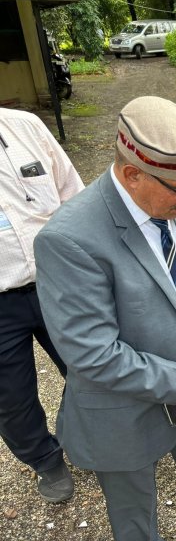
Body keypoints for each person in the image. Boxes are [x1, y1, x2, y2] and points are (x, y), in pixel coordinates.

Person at [34, 96, 176, 541]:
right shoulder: (68, 239)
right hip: (126, 412)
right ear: (132, 173)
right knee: (136, 521)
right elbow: (94, 355)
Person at [0, 108, 83, 503]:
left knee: (90, 368)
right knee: (11, 398)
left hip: (58, 282)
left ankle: (92, 434)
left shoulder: (25, 126)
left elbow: (73, 195)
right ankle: (46, 460)